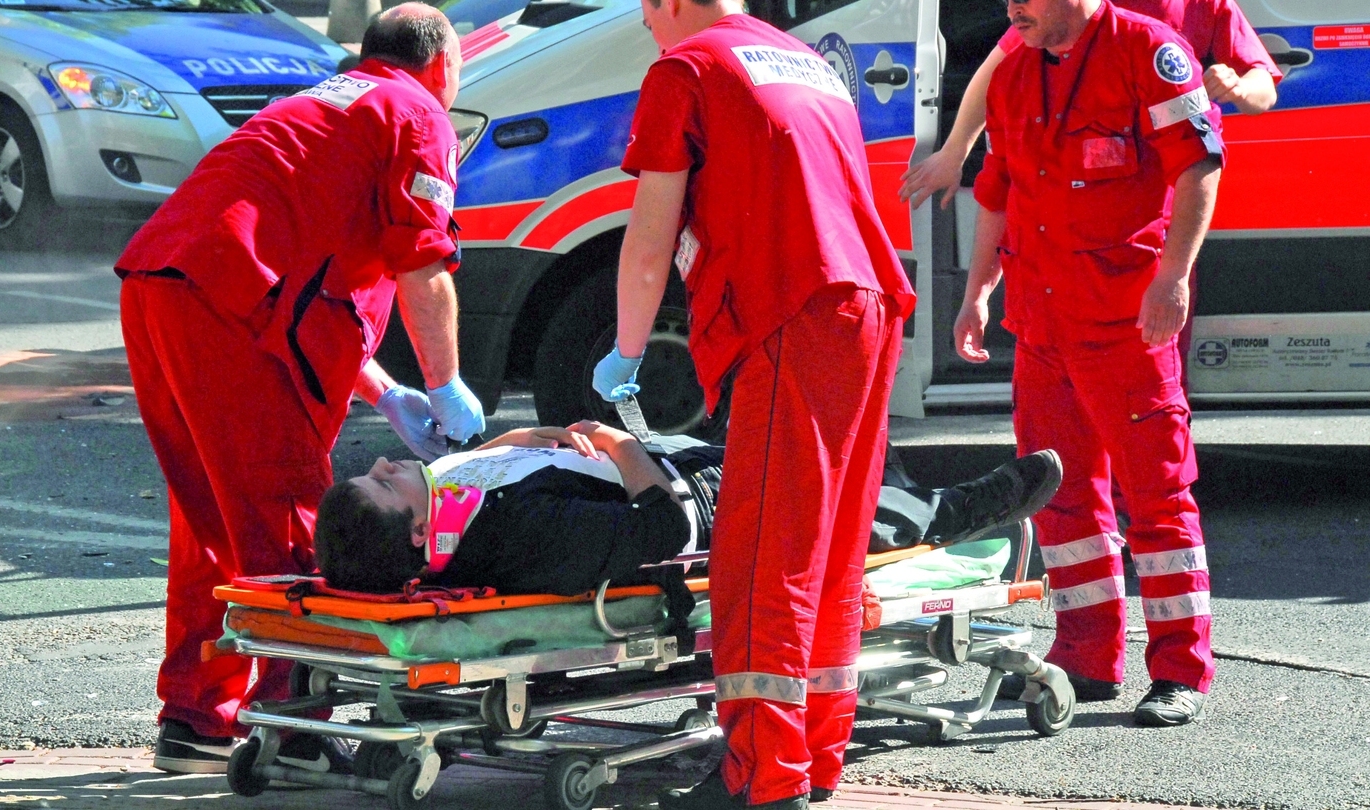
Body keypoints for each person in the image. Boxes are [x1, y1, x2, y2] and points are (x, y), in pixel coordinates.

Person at [115, 4, 486, 774]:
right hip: (227, 303)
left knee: (213, 523)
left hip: (164, 281)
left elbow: (298, 267)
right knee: (294, 521)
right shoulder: (418, 112)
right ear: (443, 65)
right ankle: (296, 734)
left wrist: (385, 392)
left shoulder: (326, 101)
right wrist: (447, 384)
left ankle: (197, 717)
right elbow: (423, 265)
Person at [588, 0, 917, 805]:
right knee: (828, 551)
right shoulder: (805, 62)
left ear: (668, 3)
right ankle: (813, 755)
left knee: (763, 557)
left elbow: (649, 240)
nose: (647, 29)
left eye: (646, 13)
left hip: (793, 311)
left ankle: (764, 775)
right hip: (869, 305)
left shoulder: (686, 69)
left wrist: (627, 350)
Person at [955, 0, 1223, 727]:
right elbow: (998, 193)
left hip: (1126, 322)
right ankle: (1086, 657)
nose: (1012, 8)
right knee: (1063, 497)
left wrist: (1174, 277)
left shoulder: (1148, 52)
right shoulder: (1014, 72)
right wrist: (977, 294)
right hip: (1043, 328)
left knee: (1158, 499)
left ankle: (1180, 671)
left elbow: (1199, 167)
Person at [899, 0, 1281, 386]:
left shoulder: (1197, 6)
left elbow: (1261, 87)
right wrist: (955, 150)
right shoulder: (1064, 9)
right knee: (1059, 387)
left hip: (1152, 233)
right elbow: (997, 69)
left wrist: (1239, 87)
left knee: (1150, 380)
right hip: (1067, 224)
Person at [313, 423, 1064, 598]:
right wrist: (617, 444)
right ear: (421, 532)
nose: (381, 462)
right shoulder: (519, 537)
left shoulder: (449, 501)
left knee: (845, 445)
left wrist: (516, 439)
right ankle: (974, 509)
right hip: (703, 503)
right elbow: (662, 529)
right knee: (858, 516)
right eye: (383, 483)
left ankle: (891, 478)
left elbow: (494, 466)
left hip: (678, 459)